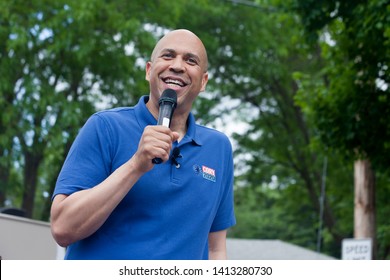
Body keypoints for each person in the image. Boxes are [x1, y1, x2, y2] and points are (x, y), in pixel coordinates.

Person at [50, 29, 236, 260]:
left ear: (203, 82)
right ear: (149, 71)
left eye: (191, 60)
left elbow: (215, 248)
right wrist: (135, 165)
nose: (178, 66)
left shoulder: (218, 148)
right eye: (168, 56)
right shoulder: (105, 127)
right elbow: (62, 228)